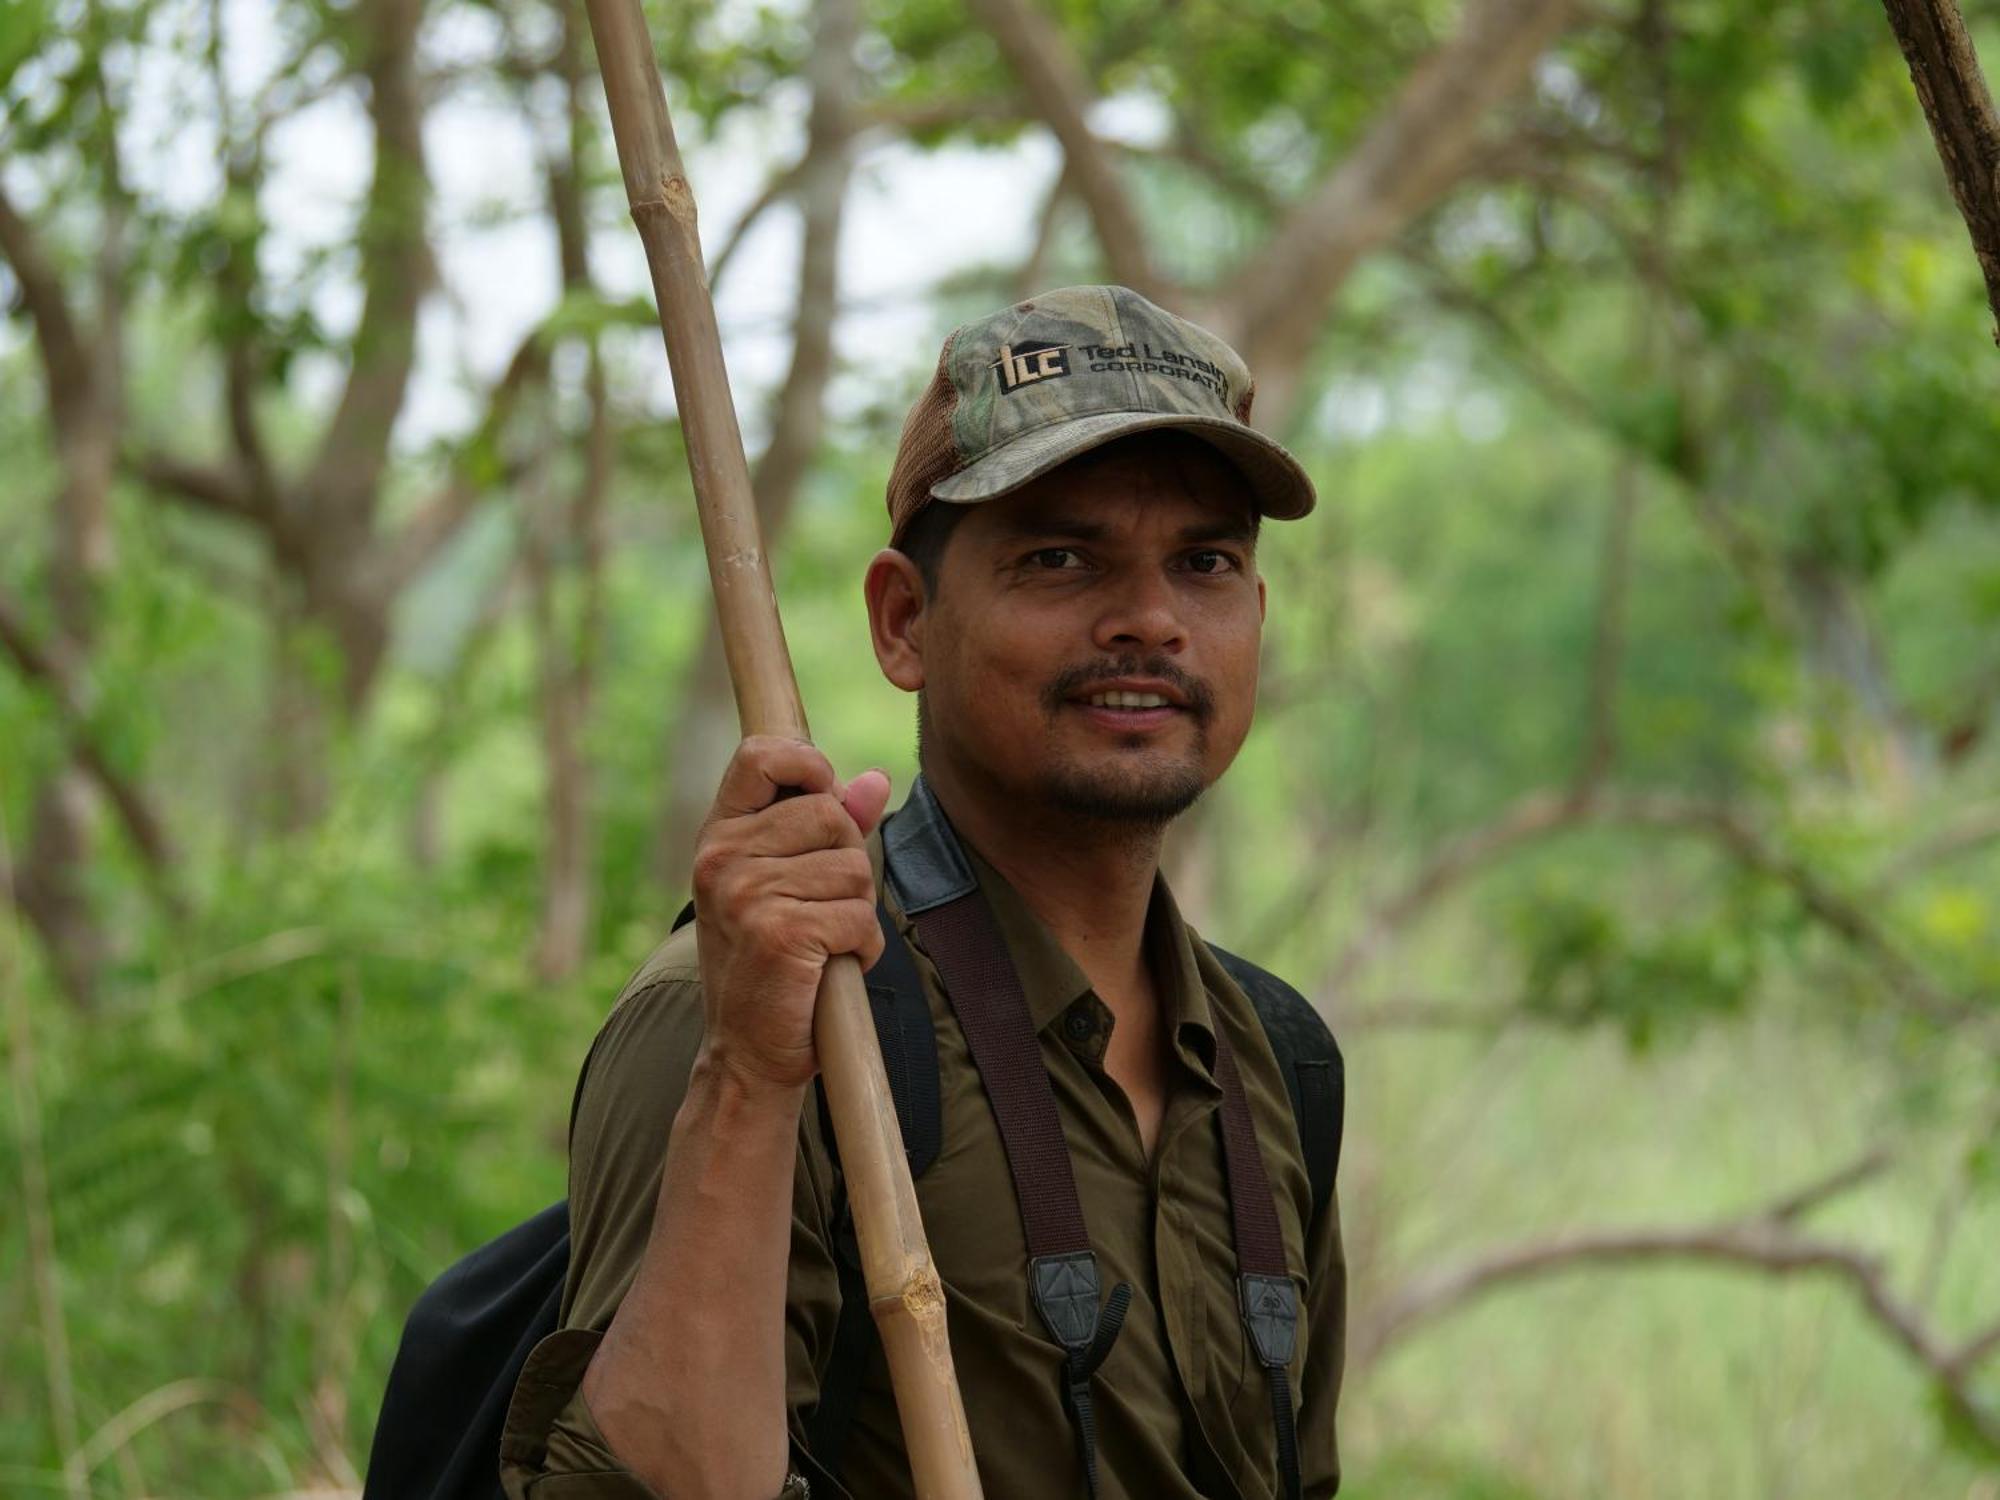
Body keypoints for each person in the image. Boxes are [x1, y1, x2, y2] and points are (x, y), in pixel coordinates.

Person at [498, 284, 1345, 1499]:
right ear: (904, 622)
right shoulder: (768, 1011)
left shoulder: (1281, 1061)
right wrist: (746, 1078)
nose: (1151, 620)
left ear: (1255, 621)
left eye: (1204, 563)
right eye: (1060, 558)